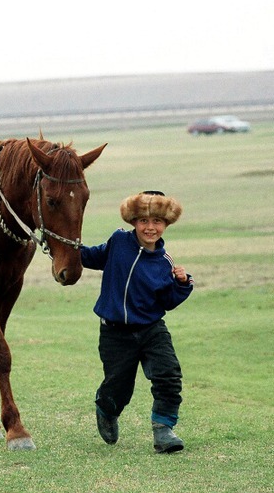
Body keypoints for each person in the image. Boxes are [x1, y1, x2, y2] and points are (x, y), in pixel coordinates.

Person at [81, 190, 194, 453]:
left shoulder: (165, 262)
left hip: (151, 328)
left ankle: (163, 430)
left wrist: (181, 283)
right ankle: (106, 408)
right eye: (144, 220)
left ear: (166, 224)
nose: (150, 227)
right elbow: (92, 257)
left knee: (168, 375)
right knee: (118, 387)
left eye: (157, 221)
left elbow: (167, 300)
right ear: (133, 221)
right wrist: (65, 249)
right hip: (115, 333)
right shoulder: (119, 241)